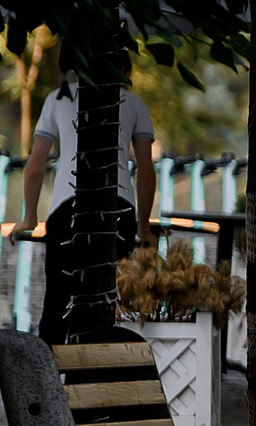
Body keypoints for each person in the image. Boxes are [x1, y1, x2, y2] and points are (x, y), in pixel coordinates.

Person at [20, 78, 156, 342]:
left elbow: (35, 167)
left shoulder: (58, 98)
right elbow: (146, 172)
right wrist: (144, 227)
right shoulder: (134, 103)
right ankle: (101, 370)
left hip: (66, 208)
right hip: (120, 209)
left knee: (58, 300)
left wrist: (29, 218)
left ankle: (48, 374)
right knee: (112, 298)